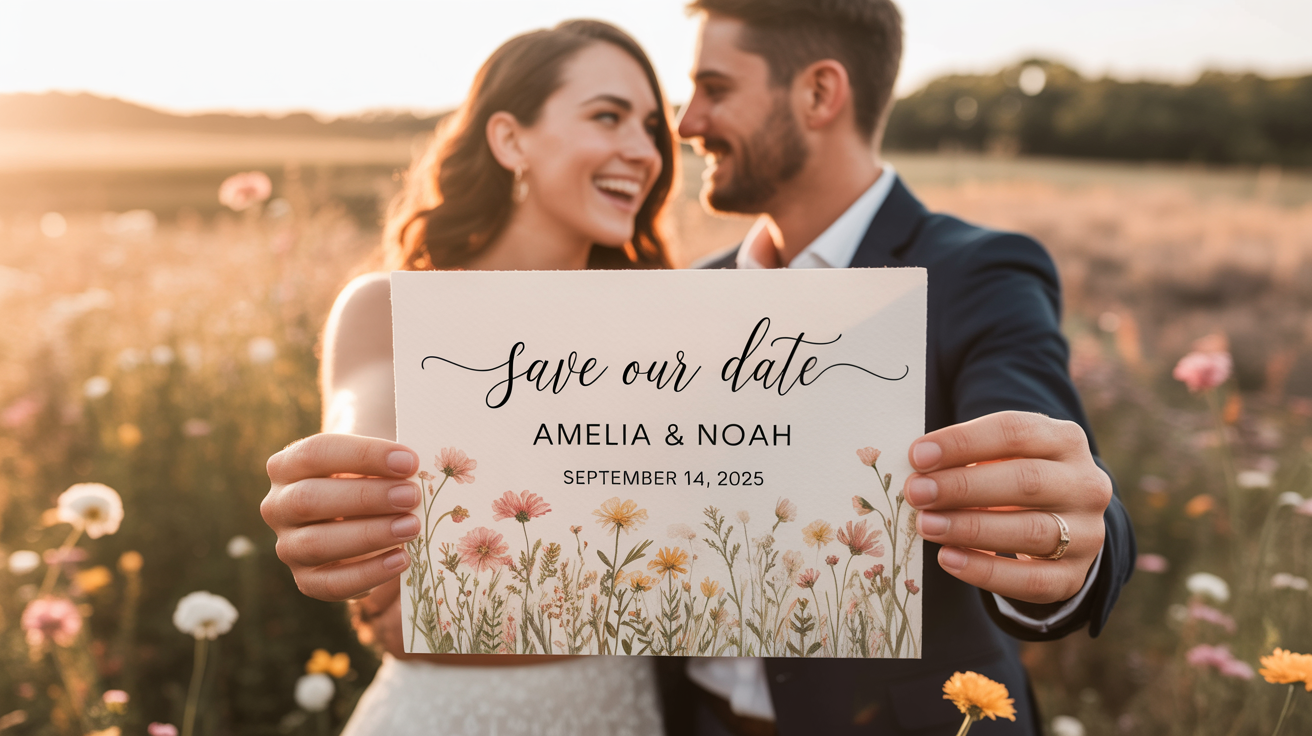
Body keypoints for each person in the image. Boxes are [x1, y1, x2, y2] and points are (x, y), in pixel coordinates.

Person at [662, 1, 1136, 734]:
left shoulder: (979, 273)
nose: (687, 122)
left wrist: (1073, 542)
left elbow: (1051, 458)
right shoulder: (686, 294)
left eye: (714, 89)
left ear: (819, 93)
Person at [260, 20, 677, 735]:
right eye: (608, 116)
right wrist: (336, 494)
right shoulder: (385, 307)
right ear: (511, 139)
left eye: (651, 128)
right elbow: (363, 454)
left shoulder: (670, 331)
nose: (643, 152)